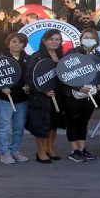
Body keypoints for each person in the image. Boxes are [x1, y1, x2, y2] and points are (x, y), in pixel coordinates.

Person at [24, 29, 66, 164]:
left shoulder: (61, 56)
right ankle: (41, 151)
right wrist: (42, 90)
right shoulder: (37, 57)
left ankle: (49, 148)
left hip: (57, 95)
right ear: (44, 40)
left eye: (57, 39)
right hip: (41, 96)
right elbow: (29, 78)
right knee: (42, 124)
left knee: (54, 123)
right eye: (51, 39)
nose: (54, 42)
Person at [63, 28, 100, 162]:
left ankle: (81, 149)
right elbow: (64, 73)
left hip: (91, 95)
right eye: (86, 37)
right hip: (74, 95)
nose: (89, 39)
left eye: (91, 37)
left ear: (96, 40)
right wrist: (78, 86)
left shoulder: (99, 56)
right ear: (80, 39)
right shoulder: (72, 53)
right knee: (73, 121)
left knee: (84, 122)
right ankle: (74, 150)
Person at [0, 33, 30, 164]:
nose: (16, 44)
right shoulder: (0, 58)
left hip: (21, 100)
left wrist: (28, 85)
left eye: (20, 42)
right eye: (14, 41)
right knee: (4, 127)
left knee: (19, 127)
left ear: (24, 45)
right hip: (4, 100)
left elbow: (29, 76)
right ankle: (4, 153)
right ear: (8, 43)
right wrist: (0, 88)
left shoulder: (27, 58)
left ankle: (15, 151)